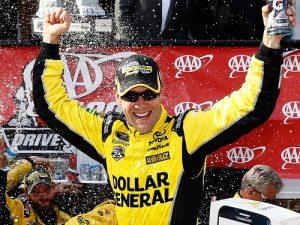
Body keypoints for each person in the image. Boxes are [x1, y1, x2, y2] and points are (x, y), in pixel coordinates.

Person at [32, 3, 296, 225]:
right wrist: (50, 42)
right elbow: (52, 106)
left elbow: (251, 105)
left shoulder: (186, 131)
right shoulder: (107, 134)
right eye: (131, 96)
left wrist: (270, 43)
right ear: (118, 97)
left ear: (160, 93)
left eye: (148, 94)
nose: (141, 104)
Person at [114, 0, 190, 40]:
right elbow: (122, 13)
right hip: (136, 49)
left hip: (167, 52)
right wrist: (133, 41)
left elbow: (182, 21)